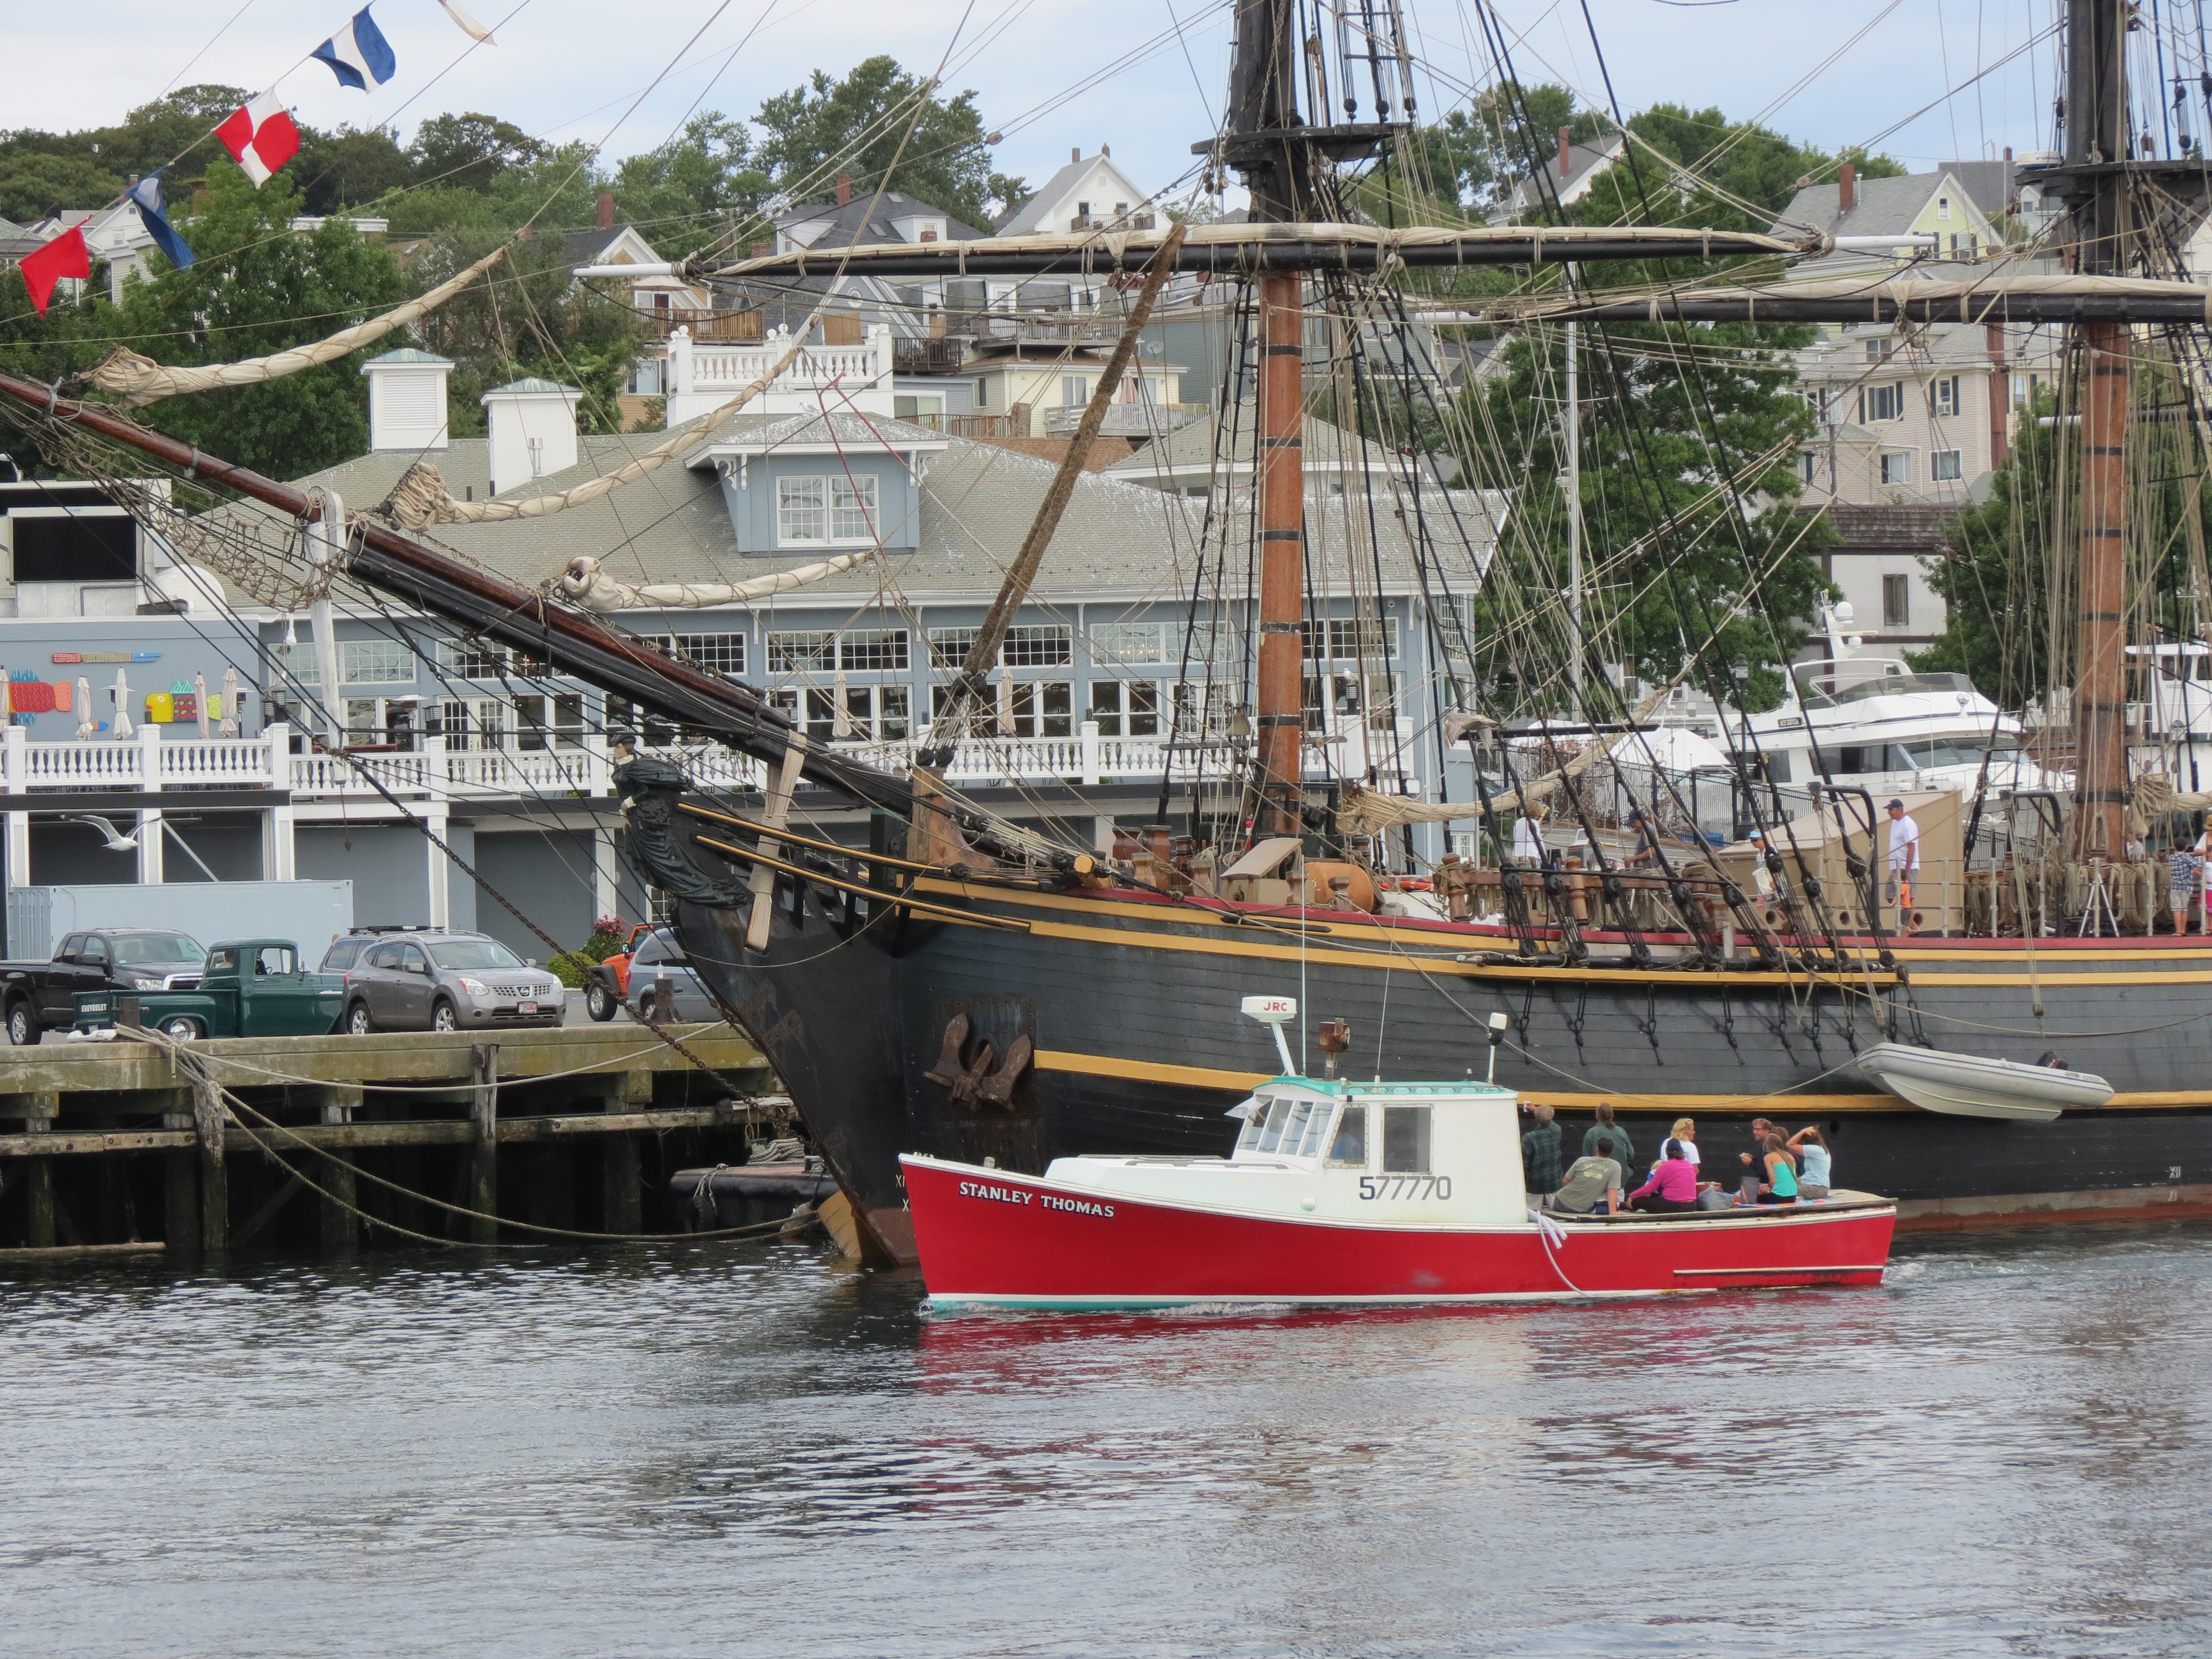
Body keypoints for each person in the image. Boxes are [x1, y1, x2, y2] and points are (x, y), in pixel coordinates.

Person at [1550, 1135, 1625, 1215]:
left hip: (1561, 1201)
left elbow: (1565, 1181)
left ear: (1597, 1149)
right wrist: (1613, 1211)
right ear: (1612, 1151)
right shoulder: (1615, 1166)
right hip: (1580, 1208)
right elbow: (1612, 1190)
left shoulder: (1582, 1160)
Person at [1627, 1137, 1699, 1213]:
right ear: (1681, 1151)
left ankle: (1622, 1205)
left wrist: (1632, 1196)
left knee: (1637, 1201)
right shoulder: (1689, 1166)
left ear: (1667, 1152)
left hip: (1672, 1205)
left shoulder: (1665, 1166)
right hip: (1691, 1206)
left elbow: (1651, 1188)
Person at [1521, 1103, 1563, 1206]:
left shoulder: (1529, 1138)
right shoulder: (1557, 1130)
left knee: (1532, 1213)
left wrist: (1536, 1112)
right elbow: (1549, 1122)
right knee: (1556, 1212)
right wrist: (1536, 1110)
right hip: (1554, 1183)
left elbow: (1524, 1164)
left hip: (1534, 1185)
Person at [1886, 799, 1921, 922]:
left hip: (1906, 867)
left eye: (1891, 810)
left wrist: (1908, 870)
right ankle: (1913, 927)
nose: (1889, 812)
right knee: (1890, 894)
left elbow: (1912, 847)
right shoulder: (1895, 822)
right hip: (1896, 867)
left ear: (1900, 809)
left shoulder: (1907, 824)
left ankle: (1907, 928)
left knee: (1907, 899)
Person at [1582, 1103, 1634, 1177]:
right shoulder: (1621, 1131)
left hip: (1598, 1178)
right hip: (1619, 1177)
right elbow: (1631, 1155)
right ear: (1612, 1115)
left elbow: (1586, 1159)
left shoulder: (1591, 1133)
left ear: (1597, 1116)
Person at [1787, 1125, 1833, 1200]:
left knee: (1785, 1190)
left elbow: (1790, 1145)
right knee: (1789, 1186)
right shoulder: (1821, 1150)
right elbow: (1812, 1175)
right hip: (1819, 1188)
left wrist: (1803, 1131)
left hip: (1816, 1188)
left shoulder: (1813, 1149)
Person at [1760, 1133, 1801, 1204]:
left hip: (1779, 1197)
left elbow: (1773, 1180)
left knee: (1754, 1198)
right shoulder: (1789, 1156)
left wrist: (1768, 1188)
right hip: (1792, 1197)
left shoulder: (1768, 1157)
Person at [1512, 801, 1548, 867]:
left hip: (1519, 851)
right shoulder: (1534, 823)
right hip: (1531, 852)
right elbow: (1538, 839)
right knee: (1533, 870)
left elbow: (1515, 836)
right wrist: (1544, 854)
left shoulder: (1518, 822)